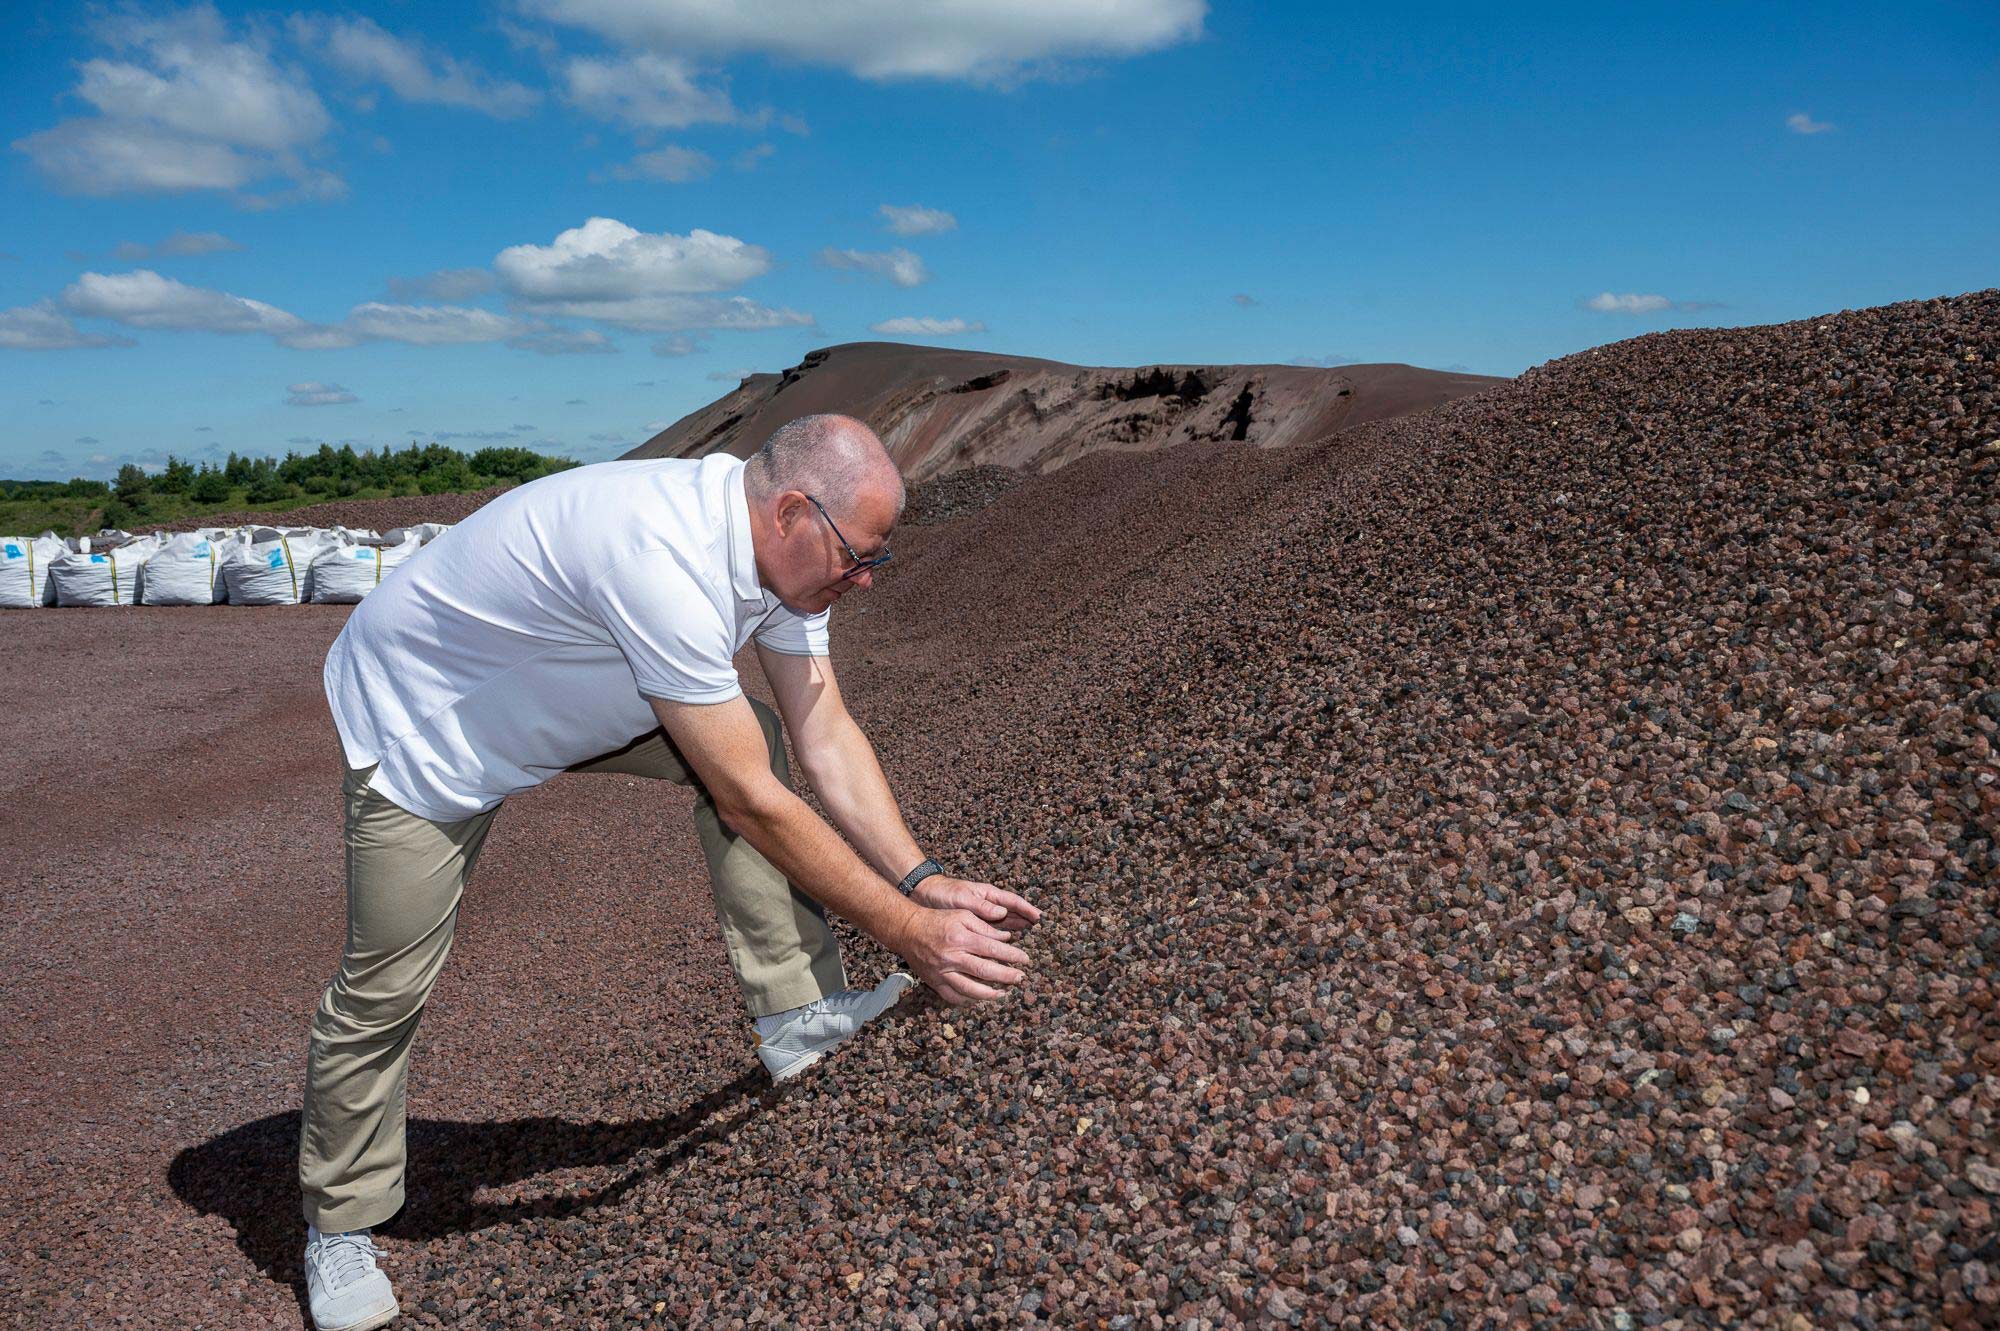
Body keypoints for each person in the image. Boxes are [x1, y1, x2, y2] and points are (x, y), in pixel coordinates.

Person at [297, 414, 1039, 1331]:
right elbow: (751, 805)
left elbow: (825, 732)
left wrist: (923, 880)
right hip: (430, 727)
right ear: (793, 512)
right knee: (385, 983)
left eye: (875, 562)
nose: (863, 579)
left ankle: (796, 1013)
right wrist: (909, 932)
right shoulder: (662, 557)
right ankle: (339, 1223)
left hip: (565, 693)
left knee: (757, 739)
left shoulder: (783, 561)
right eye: (858, 557)